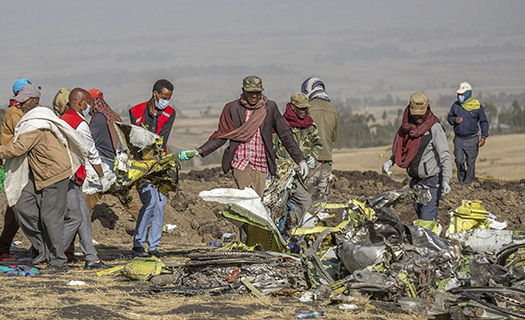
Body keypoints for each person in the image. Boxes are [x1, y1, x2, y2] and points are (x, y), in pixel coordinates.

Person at [0, 84, 88, 272]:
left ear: (35, 101)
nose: (20, 105)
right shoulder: (34, 119)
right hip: (39, 173)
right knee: (23, 207)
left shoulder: (36, 124)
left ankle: (58, 260)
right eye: (20, 101)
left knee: (51, 218)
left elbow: (18, 149)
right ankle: (43, 249)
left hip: (54, 173)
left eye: (24, 102)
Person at [179, 75, 308, 198]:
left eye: (257, 92)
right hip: (240, 162)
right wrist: (198, 151)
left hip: (262, 163)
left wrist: (300, 160)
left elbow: (285, 134)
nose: (254, 95)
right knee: (248, 197)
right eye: (250, 92)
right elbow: (222, 135)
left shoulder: (269, 107)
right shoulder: (232, 108)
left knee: (258, 202)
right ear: (243, 91)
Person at [382, 92, 452, 230]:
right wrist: (390, 162)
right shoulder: (406, 127)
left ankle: (429, 248)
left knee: (426, 223)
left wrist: (446, 180)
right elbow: (401, 150)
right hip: (415, 182)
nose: (417, 117)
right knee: (420, 218)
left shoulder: (434, 129)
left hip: (431, 182)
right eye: (415, 114)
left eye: (420, 114)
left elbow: (445, 155)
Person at [60, 88, 110, 269]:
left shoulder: (63, 119)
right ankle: (53, 255)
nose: (89, 107)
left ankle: (92, 258)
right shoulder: (80, 125)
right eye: (88, 103)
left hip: (65, 175)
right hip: (68, 177)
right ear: (81, 103)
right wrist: (102, 177)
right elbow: (92, 153)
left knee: (84, 217)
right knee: (75, 217)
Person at [129, 79, 176, 258]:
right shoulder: (136, 111)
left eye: (169, 98)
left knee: (161, 204)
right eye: (164, 97)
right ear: (155, 94)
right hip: (141, 164)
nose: (166, 102)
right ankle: (138, 244)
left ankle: (153, 247)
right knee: (149, 202)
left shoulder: (170, 113)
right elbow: (135, 138)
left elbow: (162, 139)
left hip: (159, 163)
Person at [84, 88, 141, 221]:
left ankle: (79, 234)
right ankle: (148, 228)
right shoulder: (112, 116)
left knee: (88, 203)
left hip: (103, 169)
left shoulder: (98, 118)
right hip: (116, 167)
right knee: (129, 202)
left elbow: (88, 142)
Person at [273, 92, 323, 225]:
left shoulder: (310, 125)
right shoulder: (281, 125)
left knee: (306, 203)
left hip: (301, 175)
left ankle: (304, 236)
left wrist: (313, 155)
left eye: (306, 108)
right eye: (300, 108)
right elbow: (272, 147)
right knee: (277, 206)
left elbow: (317, 144)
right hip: (282, 175)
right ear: (292, 107)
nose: (304, 111)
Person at [0, 79, 33, 262]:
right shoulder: (15, 113)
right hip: (15, 165)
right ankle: (3, 249)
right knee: (15, 208)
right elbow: (26, 135)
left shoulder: (20, 111)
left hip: (22, 165)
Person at [300, 77, 339, 205]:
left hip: (310, 159)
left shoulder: (307, 108)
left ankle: (306, 224)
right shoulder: (334, 110)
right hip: (327, 159)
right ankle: (319, 223)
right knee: (322, 198)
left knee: (307, 196)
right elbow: (334, 138)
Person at [447, 82, 489, 183]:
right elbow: (449, 118)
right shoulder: (455, 105)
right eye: (459, 94)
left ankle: (468, 184)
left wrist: (483, 136)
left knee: (471, 163)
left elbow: (483, 121)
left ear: (469, 93)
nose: (460, 96)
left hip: (472, 139)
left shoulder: (477, 106)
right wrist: (454, 120)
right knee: (459, 161)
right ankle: (462, 181)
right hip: (459, 139)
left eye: (462, 94)